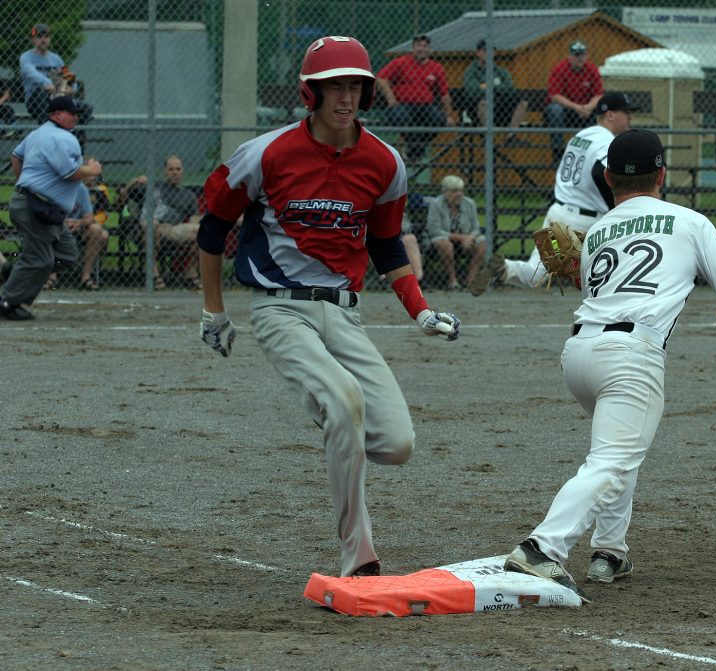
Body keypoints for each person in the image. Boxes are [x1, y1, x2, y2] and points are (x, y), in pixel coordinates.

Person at [195, 35, 461, 578]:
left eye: (355, 87)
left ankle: (339, 425)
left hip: (343, 312)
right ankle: (357, 556)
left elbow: (388, 246)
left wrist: (420, 310)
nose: (346, 97)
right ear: (309, 93)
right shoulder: (265, 153)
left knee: (397, 443)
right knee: (343, 402)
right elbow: (212, 227)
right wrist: (213, 311)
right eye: (333, 86)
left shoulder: (385, 161)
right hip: (280, 308)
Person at [502, 129, 716, 598]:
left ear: (606, 176)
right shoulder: (689, 220)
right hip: (630, 355)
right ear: (663, 173)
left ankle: (610, 551)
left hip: (578, 354)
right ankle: (541, 548)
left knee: (619, 448)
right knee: (614, 456)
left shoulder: (596, 230)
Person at [470, 91, 638, 296]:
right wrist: (616, 208)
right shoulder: (606, 140)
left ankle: (504, 267)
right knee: (620, 269)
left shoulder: (581, 136)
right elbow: (599, 172)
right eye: (626, 112)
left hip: (559, 213)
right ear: (610, 115)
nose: (630, 117)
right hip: (586, 225)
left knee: (536, 274)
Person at [1, 96, 102, 320]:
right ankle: (7, 302)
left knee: (66, 255)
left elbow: (16, 158)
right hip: (35, 207)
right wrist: (91, 169)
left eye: (77, 113)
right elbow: (70, 173)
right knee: (40, 260)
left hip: (41, 207)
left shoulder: (38, 133)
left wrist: (24, 183)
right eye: (70, 112)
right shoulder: (61, 137)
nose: (75, 116)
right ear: (55, 114)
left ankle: (14, 272)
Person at [376, 34, 457, 165]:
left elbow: (444, 95)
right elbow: (381, 78)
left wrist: (449, 116)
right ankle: (417, 150)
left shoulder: (436, 68)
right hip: (403, 105)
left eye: (425, 46)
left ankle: (413, 149)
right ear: (412, 48)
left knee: (439, 118)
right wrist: (390, 97)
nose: (422, 49)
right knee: (400, 116)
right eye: (418, 46)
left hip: (426, 107)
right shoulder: (400, 62)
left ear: (430, 50)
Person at [543, 41, 604, 166]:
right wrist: (577, 107)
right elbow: (555, 96)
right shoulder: (560, 69)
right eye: (576, 55)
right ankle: (558, 153)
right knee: (555, 109)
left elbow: (599, 95)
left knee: (601, 109)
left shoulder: (591, 69)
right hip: (566, 112)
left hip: (585, 112)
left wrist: (588, 107)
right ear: (569, 56)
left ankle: (593, 155)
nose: (580, 58)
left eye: (582, 54)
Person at [19, 23, 92, 125]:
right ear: (33, 40)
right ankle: (45, 130)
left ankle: (75, 136)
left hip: (56, 98)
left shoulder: (56, 58)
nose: (43, 39)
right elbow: (31, 72)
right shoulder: (26, 57)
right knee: (41, 92)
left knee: (86, 108)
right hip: (35, 101)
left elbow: (68, 75)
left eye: (47, 36)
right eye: (39, 36)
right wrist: (47, 83)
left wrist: (72, 88)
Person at [425, 175, 486, 290]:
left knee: (483, 243)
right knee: (444, 244)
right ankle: (452, 280)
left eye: (461, 191)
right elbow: (434, 230)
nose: (459, 194)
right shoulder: (436, 204)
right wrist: (461, 238)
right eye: (454, 191)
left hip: (466, 240)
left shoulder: (469, 204)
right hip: (444, 240)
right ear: (445, 192)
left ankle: (471, 280)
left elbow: (476, 228)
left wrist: (470, 238)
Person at [150, 154, 202, 289]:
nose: (175, 173)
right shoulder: (156, 186)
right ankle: (154, 275)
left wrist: (199, 222)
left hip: (174, 229)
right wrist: (139, 180)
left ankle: (190, 273)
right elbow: (131, 189)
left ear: (182, 171)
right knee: (151, 226)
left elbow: (194, 219)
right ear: (165, 172)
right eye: (171, 169)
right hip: (156, 225)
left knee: (202, 231)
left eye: (178, 169)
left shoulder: (188, 195)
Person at [462, 39, 528, 131]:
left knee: (522, 103)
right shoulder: (471, 72)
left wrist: (489, 86)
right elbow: (473, 90)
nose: (489, 54)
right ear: (478, 53)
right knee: (483, 103)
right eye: (485, 51)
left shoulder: (501, 71)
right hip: (478, 107)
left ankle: (511, 137)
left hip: (500, 105)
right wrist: (497, 88)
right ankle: (489, 139)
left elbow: (509, 88)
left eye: (492, 51)